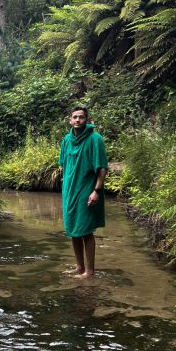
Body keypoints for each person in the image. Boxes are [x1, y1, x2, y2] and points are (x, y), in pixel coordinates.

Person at [59, 106, 108, 278]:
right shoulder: (66, 140)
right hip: (70, 191)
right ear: (70, 120)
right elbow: (63, 166)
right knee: (73, 229)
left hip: (87, 189)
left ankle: (90, 271)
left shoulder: (95, 139)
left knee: (86, 230)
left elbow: (102, 168)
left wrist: (96, 191)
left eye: (81, 117)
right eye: (75, 117)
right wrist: (65, 188)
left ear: (86, 119)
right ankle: (79, 267)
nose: (78, 120)